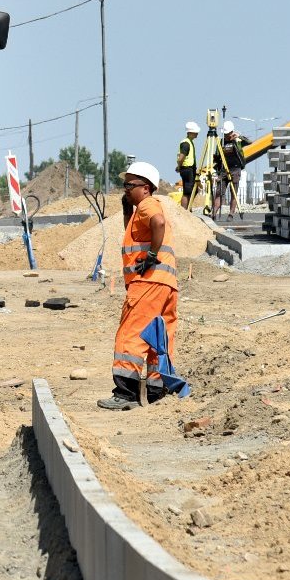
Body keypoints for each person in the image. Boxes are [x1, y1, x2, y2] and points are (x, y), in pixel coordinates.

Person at [99, 160, 185, 410]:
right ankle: (158, 389)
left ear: (146, 188)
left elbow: (157, 223)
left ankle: (125, 394)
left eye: (129, 185)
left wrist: (151, 256)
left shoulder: (148, 205)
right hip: (166, 284)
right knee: (160, 337)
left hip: (148, 283)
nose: (125, 189)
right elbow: (138, 233)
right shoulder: (140, 210)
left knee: (131, 335)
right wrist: (127, 209)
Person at [214, 120, 248, 217]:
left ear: (231, 132)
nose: (226, 136)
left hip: (235, 169)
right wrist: (216, 171)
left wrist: (239, 136)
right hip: (223, 170)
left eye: (228, 134)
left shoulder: (237, 141)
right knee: (219, 192)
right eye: (225, 134)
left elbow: (249, 142)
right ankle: (214, 212)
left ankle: (231, 213)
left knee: (233, 192)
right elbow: (217, 156)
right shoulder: (221, 142)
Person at [176, 121, 200, 206]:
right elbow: (181, 158)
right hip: (187, 169)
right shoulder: (186, 143)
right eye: (195, 132)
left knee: (194, 190)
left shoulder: (189, 142)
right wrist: (179, 166)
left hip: (190, 169)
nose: (197, 133)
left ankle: (188, 208)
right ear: (190, 132)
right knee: (187, 191)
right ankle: (184, 211)